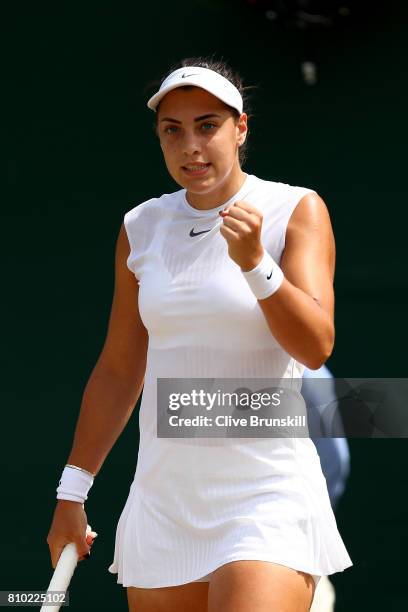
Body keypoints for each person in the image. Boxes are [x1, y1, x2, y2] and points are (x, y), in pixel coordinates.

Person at [46, 57, 352, 612]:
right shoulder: (141, 226)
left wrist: (256, 263)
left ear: (241, 129)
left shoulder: (294, 209)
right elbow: (119, 369)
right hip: (165, 503)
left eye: (208, 125)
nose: (191, 145)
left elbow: (315, 345)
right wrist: (72, 492)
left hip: (267, 497)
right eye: (173, 131)